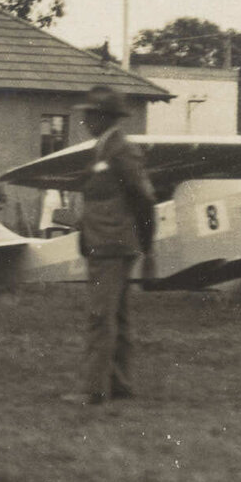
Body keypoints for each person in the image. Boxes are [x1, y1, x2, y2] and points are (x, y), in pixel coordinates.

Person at [63, 86, 156, 406]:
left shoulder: (120, 151)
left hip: (112, 245)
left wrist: (148, 247)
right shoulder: (104, 149)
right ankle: (119, 384)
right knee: (117, 315)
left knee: (100, 316)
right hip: (106, 243)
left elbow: (144, 199)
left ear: (107, 117)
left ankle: (93, 390)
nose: (86, 119)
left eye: (92, 113)